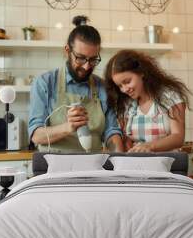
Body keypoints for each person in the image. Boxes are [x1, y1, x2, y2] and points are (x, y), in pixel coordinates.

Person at [28, 16, 124, 153]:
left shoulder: (102, 87)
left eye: (93, 60)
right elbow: (36, 136)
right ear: (67, 50)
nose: (86, 66)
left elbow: (111, 131)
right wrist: (68, 127)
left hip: (93, 166)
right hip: (54, 167)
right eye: (80, 58)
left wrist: (120, 161)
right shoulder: (45, 83)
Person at [104, 50, 192, 152]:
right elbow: (126, 138)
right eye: (120, 86)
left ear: (141, 72)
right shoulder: (127, 104)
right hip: (137, 165)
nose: (124, 89)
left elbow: (178, 137)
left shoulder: (170, 96)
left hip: (167, 164)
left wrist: (149, 146)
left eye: (127, 82)